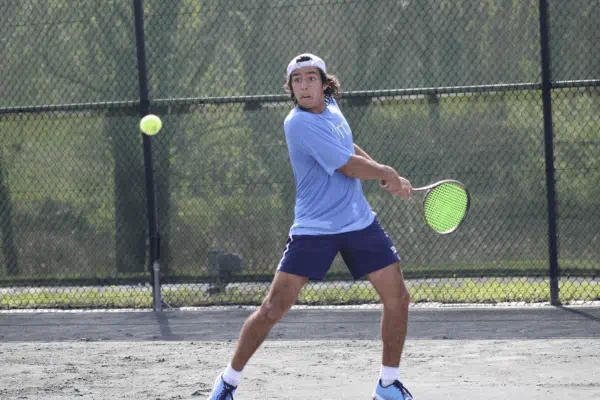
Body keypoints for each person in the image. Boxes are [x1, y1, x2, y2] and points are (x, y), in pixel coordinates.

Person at [206, 53, 414, 400]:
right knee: (274, 308)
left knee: (398, 298)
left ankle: (388, 386)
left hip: (358, 221)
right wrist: (386, 173)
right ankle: (227, 382)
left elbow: (348, 146)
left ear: (323, 82)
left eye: (310, 78)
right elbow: (347, 166)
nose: (304, 85)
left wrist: (382, 173)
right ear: (290, 88)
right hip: (314, 228)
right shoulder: (297, 123)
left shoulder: (331, 105)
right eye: (297, 80)